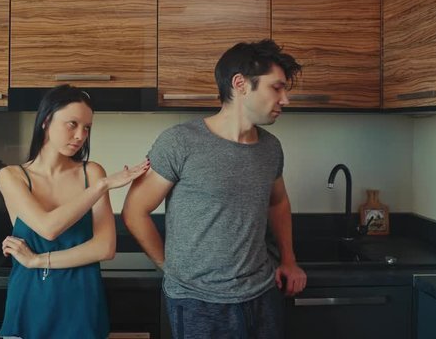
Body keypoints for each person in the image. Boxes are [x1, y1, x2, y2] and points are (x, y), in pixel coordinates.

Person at [122, 39, 307, 338]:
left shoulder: (271, 148)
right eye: (277, 87)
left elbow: (278, 202)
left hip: (262, 294)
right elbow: (134, 211)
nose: (285, 99)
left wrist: (289, 260)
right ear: (240, 84)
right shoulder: (180, 142)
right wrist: (168, 267)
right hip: (198, 302)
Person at [0, 84, 150, 339]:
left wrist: (37, 260)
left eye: (87, 127)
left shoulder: (91, 172)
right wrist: (102, 187)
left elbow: (104, 248)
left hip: (81, 304)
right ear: (46, 121)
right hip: (29, 302)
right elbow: (48, 228)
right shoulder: (11, 176)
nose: (81, 135)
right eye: (72, 124)